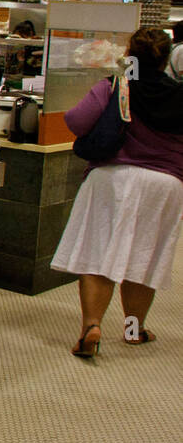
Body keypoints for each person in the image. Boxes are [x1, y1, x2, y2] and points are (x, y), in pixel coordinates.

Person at [53, 27, 183, 357]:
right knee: (144, 255)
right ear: (167, 57)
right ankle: (133, 329)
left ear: (129, 52)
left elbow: (76, 121)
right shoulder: (180, 95)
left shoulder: (115, 85)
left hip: (113, 178)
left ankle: (91, 326)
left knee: (98, 254)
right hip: (165, 185)